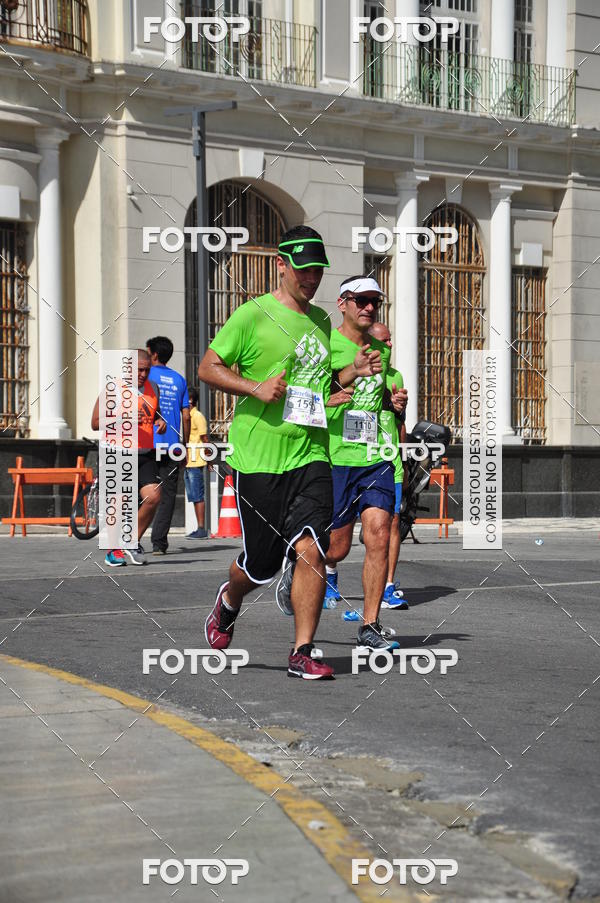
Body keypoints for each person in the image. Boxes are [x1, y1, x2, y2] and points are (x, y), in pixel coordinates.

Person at [197, 226, 380, 679]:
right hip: (258, 457)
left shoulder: (319, 322)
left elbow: (316, 389)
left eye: (317, 270)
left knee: (312, 549)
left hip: (311, 453)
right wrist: (253, 387)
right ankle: (230, 599)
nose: (311, 278)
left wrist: (350, 373)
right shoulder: (252, 315)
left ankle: (303, 651)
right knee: (258, 565)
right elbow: (208, 367)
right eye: (303, 270)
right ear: (281, 265)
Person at [324, 276, 408, 650]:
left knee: (378, 535)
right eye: (361, 300)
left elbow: (375, 403)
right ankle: (299, 562)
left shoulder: (381, 351)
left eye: (375, 301)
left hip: (376, 457)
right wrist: (336, 391)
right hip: (334, 456)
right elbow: (306, 396)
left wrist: (395, 405)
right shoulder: (323, 344)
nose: (369, 307)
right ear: (343, 303)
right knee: (336, 550)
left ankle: (370, 626)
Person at [91, 349, 167, 567]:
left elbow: (155, 412)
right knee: (119, 501)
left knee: (154, 497)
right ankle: (113, 551)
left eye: (147, 370)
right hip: (116, 452)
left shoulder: (154, 389)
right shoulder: (113, 389)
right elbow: (95, 422)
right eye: (139, 370)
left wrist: (160, 422)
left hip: (144, 453)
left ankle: (131, 541)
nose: (143, 374)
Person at [368, 321, 409, 610]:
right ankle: (329, 577)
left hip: (388, 461)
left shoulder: (395, 376)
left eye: (391, 340)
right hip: (351, 457)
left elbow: (400, 423)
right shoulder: (350, 370)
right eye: (385, 340)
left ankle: (388, 586)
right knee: (339, 536)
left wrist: (403, 462)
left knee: (392, 524)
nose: (390, 345)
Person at [146, 336, 191, 555]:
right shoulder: (179, 380)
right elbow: (186, 415)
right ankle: (159, 544)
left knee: (141, 490)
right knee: (168, 495)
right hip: (173, 446)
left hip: (147, 444)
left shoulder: (145, 377)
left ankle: (132, 537)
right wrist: (186, 445)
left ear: (153, 354)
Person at [185, 387, 209, 539]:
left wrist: (210, 457)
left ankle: (201, 529)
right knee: (193, 496)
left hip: (196, 460)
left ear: (191, 400)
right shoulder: (187, 416)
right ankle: (199, 528)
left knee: (198, 495)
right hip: (188, 461)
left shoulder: (198, 416)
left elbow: (205, 438)